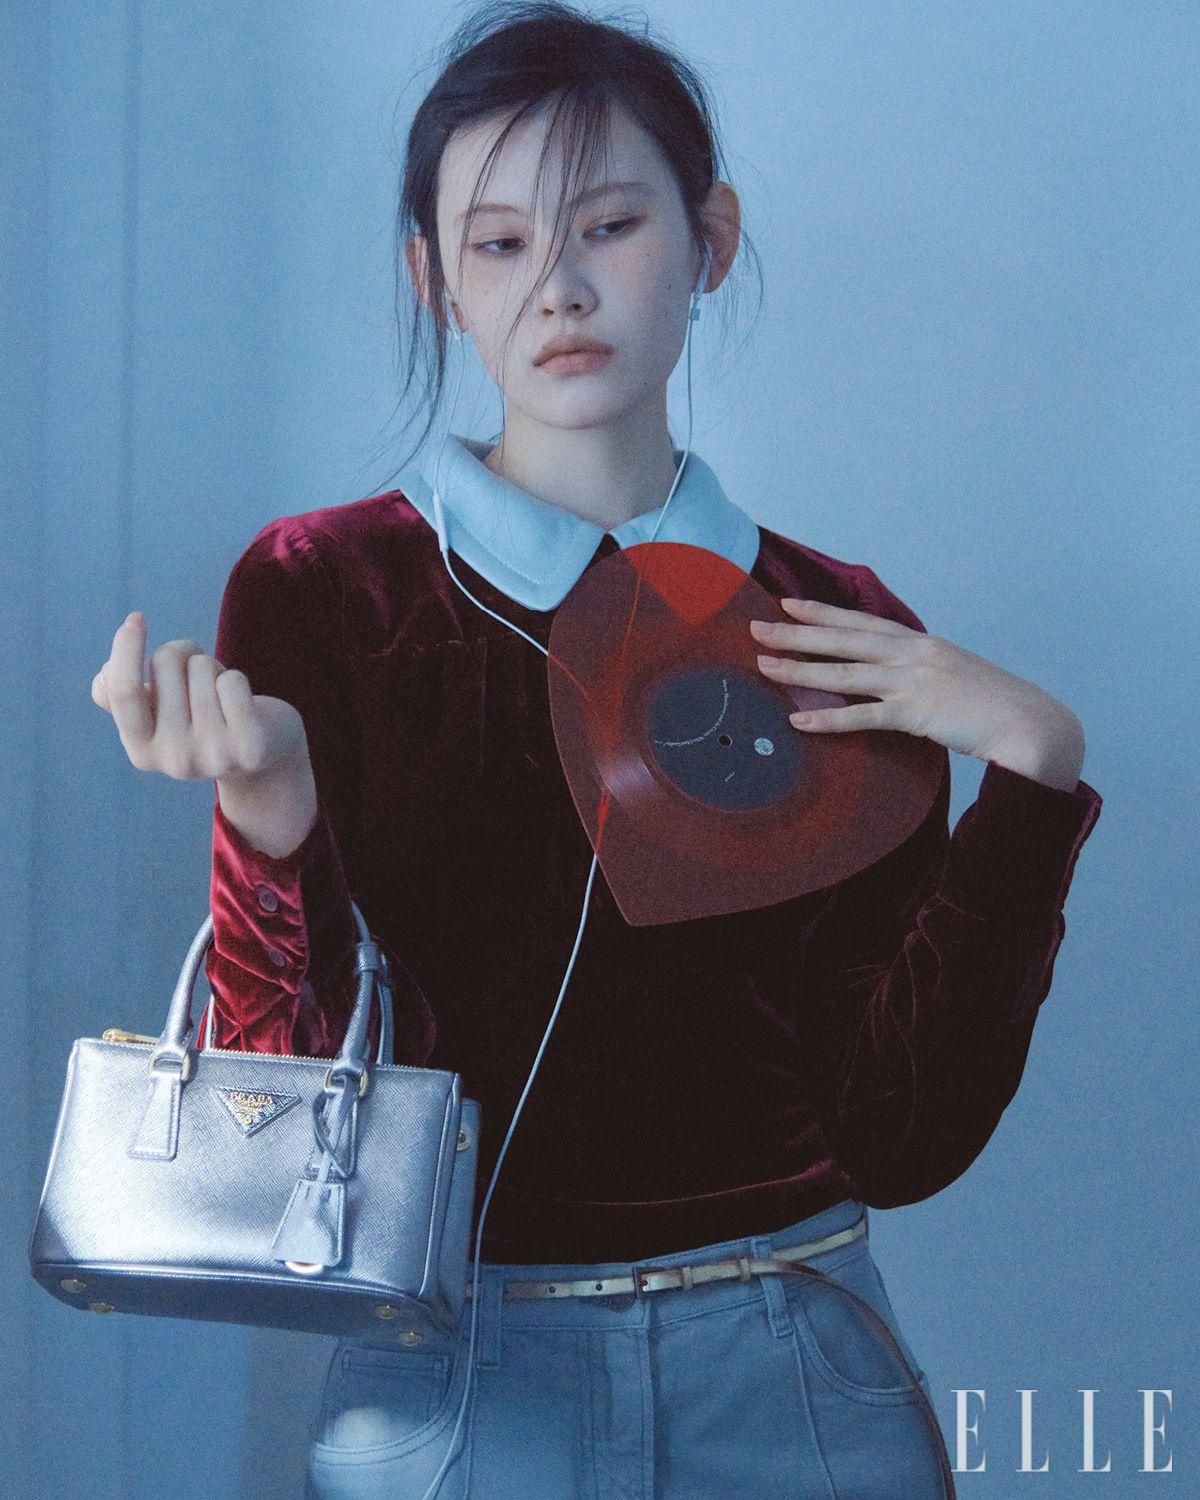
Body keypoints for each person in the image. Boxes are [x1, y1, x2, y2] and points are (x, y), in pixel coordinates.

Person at [91, 4, 1103, 1496]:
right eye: (498, 244)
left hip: (800, 1363)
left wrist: (1033, 764)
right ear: (432, 282)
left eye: (610, 226)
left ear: (709, 241)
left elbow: (904, 1134)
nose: (559, 287)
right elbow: (280, 1098)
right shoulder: (325, 592)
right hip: (458, 1374)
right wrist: (270, 821)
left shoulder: (838, 628)